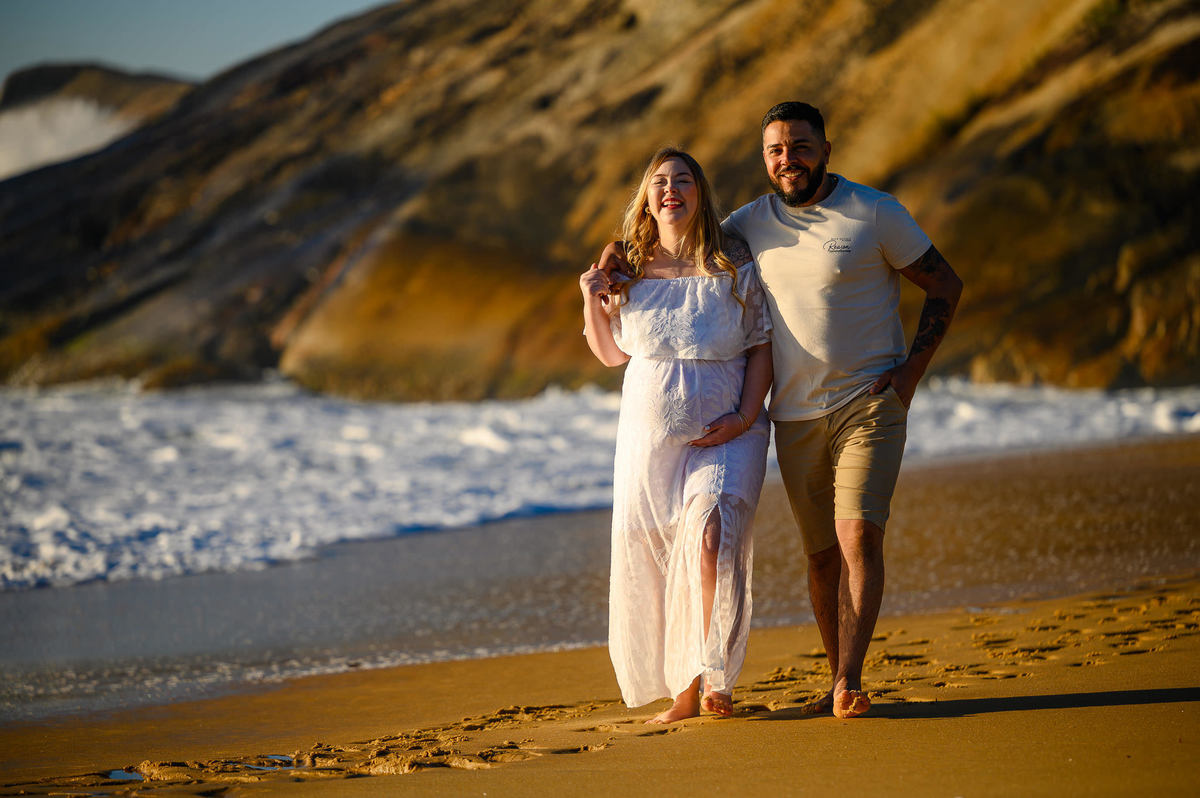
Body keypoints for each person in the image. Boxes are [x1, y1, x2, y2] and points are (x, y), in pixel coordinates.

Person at [599, 103, 963, 719]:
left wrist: (908, 375)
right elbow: (680, 242)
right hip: (793, 414)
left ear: (825, 147)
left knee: (856, 537)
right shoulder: (748, 226)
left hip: (868, 401)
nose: (788, 158)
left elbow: (945, 285)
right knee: (820, 555)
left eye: (800, 145)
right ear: (764, 159)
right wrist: (615, 251)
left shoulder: (874, 212)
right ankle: (828, 679)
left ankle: (848, 678)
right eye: (775, 150)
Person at [580, 148, 773, 724]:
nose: (671, 191)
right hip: (647, 434)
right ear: (646, 198)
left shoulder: (733, 259)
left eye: (682, 181)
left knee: (712, 537)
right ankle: (690, 689)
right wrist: (591, 297)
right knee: (660, 556)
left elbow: (761, 342)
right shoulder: (629, 268)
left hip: (729, 428)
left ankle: (711, 679)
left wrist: (744, 415)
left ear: (699, 192)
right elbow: (613, 355)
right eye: (659, 182)